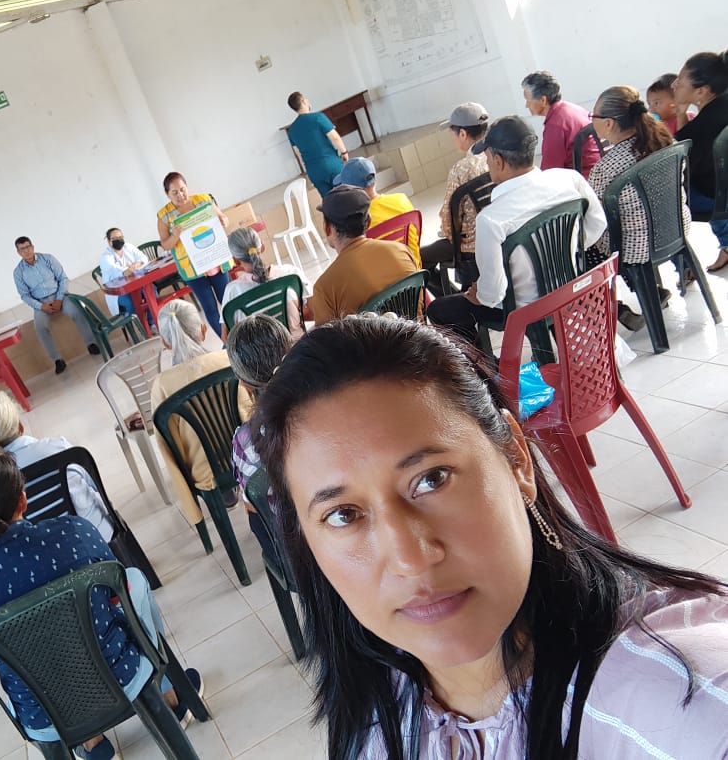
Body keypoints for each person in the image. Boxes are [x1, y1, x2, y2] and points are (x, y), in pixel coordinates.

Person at [254, 316, 728, 760]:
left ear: (517, 460)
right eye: (343, 515)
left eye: (432, 479)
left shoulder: (672, 695)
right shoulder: (376, 689)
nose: (410, 559)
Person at [0, 444, 203, 760]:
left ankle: (92, 744)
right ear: (23, 499)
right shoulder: (74, 532)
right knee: (134, 580)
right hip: (121, 676)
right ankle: (169, 695)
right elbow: (116, 594)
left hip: (44, 716)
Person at [426, 116, 606, 345]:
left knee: (440, 310)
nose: (487, 163)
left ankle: (485, 366)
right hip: (569, 287)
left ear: (498, 161)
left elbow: (493, 294)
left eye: (487, 157)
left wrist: (479, 294)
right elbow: (598, 223)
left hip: (524, 308)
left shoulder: (491, 219)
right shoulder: (569, 179)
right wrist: (563, 254)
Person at [585, 85, 689, 330]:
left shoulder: (605, 168)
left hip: (638, 247)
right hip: (676, 228)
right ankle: (650, 291)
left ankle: (614, 308)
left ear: (609, 123)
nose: (591, 121)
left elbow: (594, 216)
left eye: (593, 116)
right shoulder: (666, 140)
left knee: (583, 249)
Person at [0, 390, 113, 542]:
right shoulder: (58, 448)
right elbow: (97, 486)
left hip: (49, 554)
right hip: (102, 539)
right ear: (20, 425)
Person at [150, 300, 250, 520]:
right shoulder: (228, 359)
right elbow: (250, 406)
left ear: (165, 342)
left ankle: (225, 492)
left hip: (207, 472)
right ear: (203, 330)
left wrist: (192, 508)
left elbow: (168, 446)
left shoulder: (162, 385)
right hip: (248, 453)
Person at [227, 314, 293, 563]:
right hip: (350, 529)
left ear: (243, 383)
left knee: (257, 515)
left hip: (300, 552)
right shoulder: (331, 404)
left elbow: (254, 504)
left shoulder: (245, 441)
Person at [309, 185, 418, 325]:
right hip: (417, 336)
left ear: (327, 227)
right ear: (369, 221)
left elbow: (326, 338)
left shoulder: (325, 288)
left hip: (374, 341)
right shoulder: (401, 251)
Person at [421, 103, 491, 296]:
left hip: (470, 246)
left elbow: (449, 221)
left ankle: (452, 297)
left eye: (453, 134)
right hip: (499, 236)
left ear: (462, 134)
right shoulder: (499, 157)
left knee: (418, 258)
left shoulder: (461, 169)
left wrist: (445, 232)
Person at [155, 172, 232, 336]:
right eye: (174, 192)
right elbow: (165, 244)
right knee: (210, 308)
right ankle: (227, 342)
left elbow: (223, 217)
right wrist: (175, 236)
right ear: (167, 194)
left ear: (187, 187)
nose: (180, 195)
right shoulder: (164, 216)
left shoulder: (203, 200)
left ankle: (240, 337)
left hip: (215, 260)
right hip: (192, 269)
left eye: (182, 189)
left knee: (228, 301)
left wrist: (224, 221)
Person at [672, 49, 728, 271]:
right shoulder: (721, 105)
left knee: (658, 203)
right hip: (720, 188)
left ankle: (684, 268)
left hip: (716, 197)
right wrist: (681, 113)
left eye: (680, 81)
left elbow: (679, 165)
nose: (674, 85)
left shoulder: (699, 129)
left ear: (701, 91)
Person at [13, 236, 100, 375]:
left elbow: (63, 278)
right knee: (39, 327)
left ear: (33, 247)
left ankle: (91, 343)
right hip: (41, 302)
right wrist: (41, 306)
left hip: (60, 295)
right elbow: (24, 295)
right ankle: (57, 360)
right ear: (18, 252)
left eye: (28, 247)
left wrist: (59, 299)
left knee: (77, 311)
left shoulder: (48, 259)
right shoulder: (18, 272)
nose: (26, 251)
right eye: (22, 249)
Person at [220, 226, 312, 340]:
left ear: (235, 260)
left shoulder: (232, 291)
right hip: (299, 346)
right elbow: (312, 312)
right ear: (262, 247)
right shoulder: (291, 273)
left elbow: (226, 338)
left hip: (261, 352)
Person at [334, 157, 420, 265]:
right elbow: (416, 236)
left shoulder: (356, 222)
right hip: (415, 269)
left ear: (351, 190)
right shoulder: (401, 199)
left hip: (384, 275)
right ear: (374, 180)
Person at [522, 70, 600, 176]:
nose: (526, 105)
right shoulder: (571, 108)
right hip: (596, 169)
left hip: (583, 179)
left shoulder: (555, 125)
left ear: (543, 100)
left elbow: (549, 172)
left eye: (528, 100)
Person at [286, 91, 351, 197]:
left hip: (313, 170)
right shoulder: (318, 117)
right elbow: (335, 137)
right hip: (331, 164)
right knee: (348, 195)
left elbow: (297, 152)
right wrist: (344, 152)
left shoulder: (292, 130)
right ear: (303, 101)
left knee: (330, 201)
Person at [98, 227, 148, 317]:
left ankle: (152, 321)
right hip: (118, 292)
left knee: (150, 291)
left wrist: (136, 264)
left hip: (136, 283)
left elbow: (143, 257)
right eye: (115, 239)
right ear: (109, 241)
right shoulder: (105, 257)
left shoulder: (128, 247)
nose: (118, 240)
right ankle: (140, 323)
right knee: (131, 301)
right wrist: (129, 269)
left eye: (120, 237)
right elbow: (119, 271)